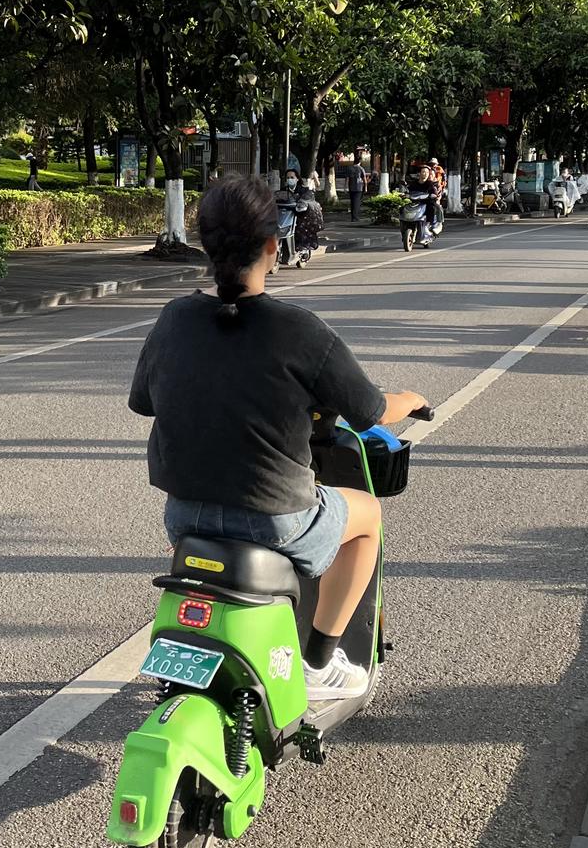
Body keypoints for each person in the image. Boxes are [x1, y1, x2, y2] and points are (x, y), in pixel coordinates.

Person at [129, 177, 429, 697]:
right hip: (276, 521)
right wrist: (410, 399)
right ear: (273, 245)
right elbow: (371, 412)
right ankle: (318, 662)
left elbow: (144, 401)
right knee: (368, 516)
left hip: (184, 516)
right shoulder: (301, 331)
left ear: (204, 243)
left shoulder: (175, 318)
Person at [348, 154, 367, 222]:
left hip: (351, 187)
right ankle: (355, 217)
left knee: (352, 202)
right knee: (357, 202)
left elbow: (347, 178)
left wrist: (345, 187)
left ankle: (353, 217)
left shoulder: (350, 168)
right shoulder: (361, 168)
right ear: (360, 161)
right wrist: (366, 188)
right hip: (359, 187)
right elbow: (364, 179)